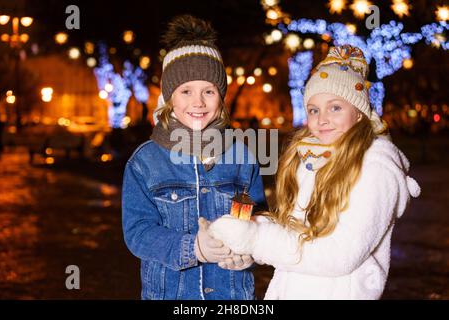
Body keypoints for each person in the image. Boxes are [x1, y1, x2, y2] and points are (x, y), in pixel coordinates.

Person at [209, 45, 421, 300]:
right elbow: (298, 232)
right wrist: (246, 239)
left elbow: (339, 255)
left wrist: (257, 240)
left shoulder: (375, 168)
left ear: (359, 113)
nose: (322, 119)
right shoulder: (311, 158)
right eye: (313, 110)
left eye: (335, 107)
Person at [122, 15, 266, 300]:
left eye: (208, 91)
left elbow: (258, 215)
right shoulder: (144, 162)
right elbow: (138, 232)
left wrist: (250, 250)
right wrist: (194, 248)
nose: (198, 102)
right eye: (186, 91)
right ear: (169, 99)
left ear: (221, 98)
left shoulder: (242, 157)